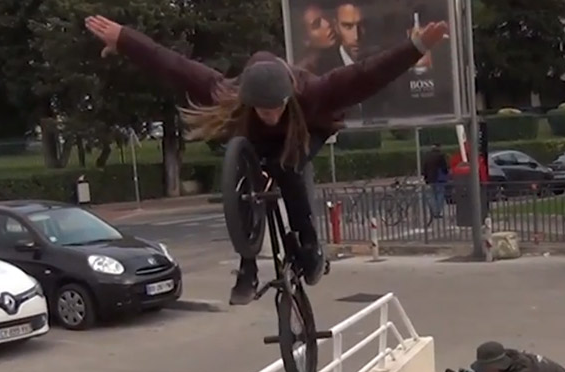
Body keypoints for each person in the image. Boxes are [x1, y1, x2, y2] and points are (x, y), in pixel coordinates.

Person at [85, 14, 450, 305]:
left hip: (307, 129)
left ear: (287, 97)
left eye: (275, 107)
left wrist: (416, 45)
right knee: (248, 175)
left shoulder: (313, 93)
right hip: (254, 141)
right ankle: (247, 266)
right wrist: (125, 41)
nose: (271, 113)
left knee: (288, 166)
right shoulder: (226, 92)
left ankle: (309, 243)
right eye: (263, 108)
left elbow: (367, 74)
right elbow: (173, 65)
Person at [421, 144, 449, 218]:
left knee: (432, 196)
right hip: (439, 178)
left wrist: (425, 177)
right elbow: (444, 167)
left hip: (430, 179)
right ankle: (437, 212)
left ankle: (434, 210)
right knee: (440, 194)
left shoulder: (427, 156)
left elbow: (424, 168)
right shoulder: (441, 156)